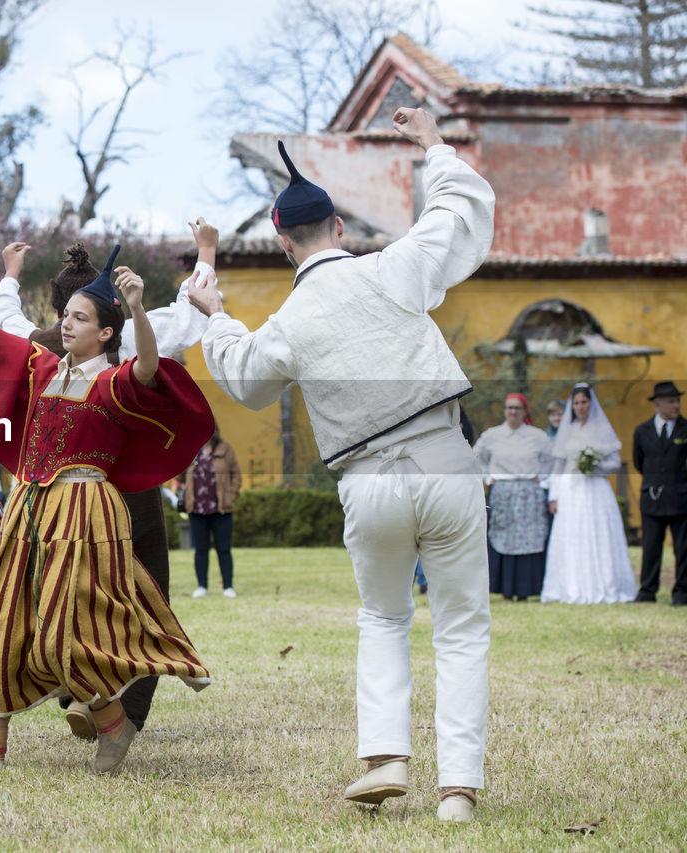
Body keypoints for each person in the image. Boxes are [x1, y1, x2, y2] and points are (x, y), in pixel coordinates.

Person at [189, 108, 494, 822]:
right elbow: (459, 210)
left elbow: (244, 374)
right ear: (341, 230)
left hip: (368, 480)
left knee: (384, 619)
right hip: (444, 456)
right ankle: (457, 791)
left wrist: (215, 313)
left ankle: (385, 756)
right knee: (461, 627)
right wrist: (433, 148)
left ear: (282, 243)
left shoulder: (291, 321)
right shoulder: (392, 267)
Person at [0, 231, 213, 775]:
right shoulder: (41, 368)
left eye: (78, 318)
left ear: (105, 332)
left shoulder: (118, 381)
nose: (65, 323)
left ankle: (112, 721)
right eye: (65, 314)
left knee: (66, 629)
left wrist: (139, 307)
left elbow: (147, 362)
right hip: (27, 505)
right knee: (4, 614)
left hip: (85, 511)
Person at [541, 384, 638, 604]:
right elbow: (559, 465)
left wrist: (595, 466)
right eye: (576, 403)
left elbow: (614, 463)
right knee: (572, 535)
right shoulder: (568, 430)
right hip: (571, 490)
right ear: (572, 406)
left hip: (595, 489)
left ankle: (603, 584)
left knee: (598, 533)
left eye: (584, 402)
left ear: (591, 404)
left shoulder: (602, 429)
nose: (580, 407)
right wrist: (553, 496)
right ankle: (571, 585)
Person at [472, 394, 554, 601]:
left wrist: (541, 478)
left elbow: (551, 460)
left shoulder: (538, 437)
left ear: (525, 411)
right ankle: (505, 589)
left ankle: (526, 589)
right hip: (502, 492)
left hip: (529, 492)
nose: (513, 412)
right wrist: (487, 477)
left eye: (517, 408)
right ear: (504, 410)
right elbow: (475, 457)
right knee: (502, 536)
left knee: (530, 538)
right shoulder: (492, 435)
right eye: (509, 407)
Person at [632, 382, 687, 605]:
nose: (677, 405)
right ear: (658, 404)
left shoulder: (685, 428)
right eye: (671, 401)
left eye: (678, 400)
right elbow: (639, 463)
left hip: (681, 497)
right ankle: (647, 591)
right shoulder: (642, 431)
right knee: (651, 546)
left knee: (683, 547)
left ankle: (682, 591)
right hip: (652, 497)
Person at [185, 428, 242, 598]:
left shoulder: (225, 449)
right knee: (200, 550)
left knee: (224, 549)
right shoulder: (190, 450)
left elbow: (236, 475)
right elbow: (180, 475)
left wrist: (231, 496)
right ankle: (202, 586)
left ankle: (228, 587)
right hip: (197, 509)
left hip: (221, 509)